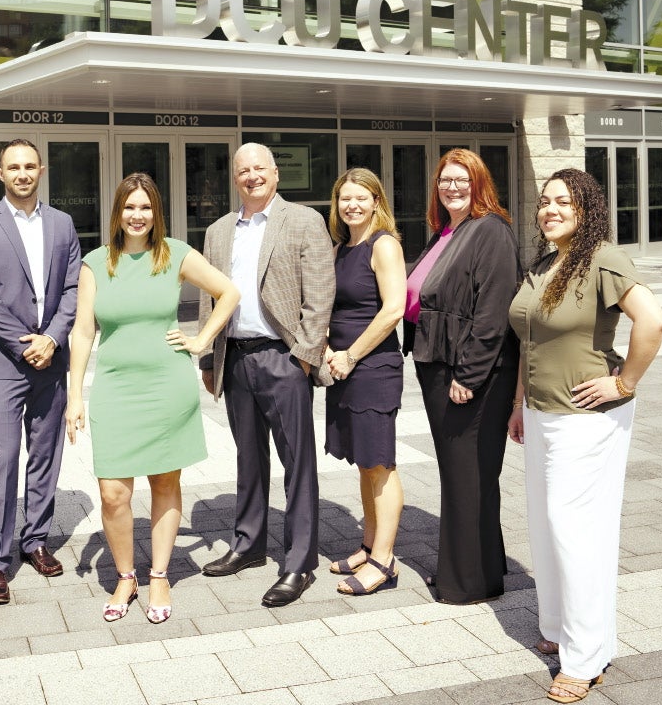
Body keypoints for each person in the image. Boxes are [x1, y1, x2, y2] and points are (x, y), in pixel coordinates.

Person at [508, 168, 662, 704]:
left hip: (587, 418)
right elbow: (530, 343)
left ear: (586, 209)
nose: (550, 210)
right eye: (545, 202)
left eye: (563, 202)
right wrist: (517, 405)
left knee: (576, 532)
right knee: (548, 526)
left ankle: (586, 658)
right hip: (541, 411)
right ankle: (557, 626)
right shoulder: (546, 263)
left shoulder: (603, 258)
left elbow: (654, 321)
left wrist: (624, 381)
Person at [64, 174, 239, 623]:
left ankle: (159, 574)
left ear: (155, 212)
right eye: (129, 207)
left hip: (166, 386)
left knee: (165, 483)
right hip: (116, 389)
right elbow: (83, 332)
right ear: (117, 213)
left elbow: (229, 292)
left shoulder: (175, 253)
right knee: (113, 493)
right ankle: (126, 575)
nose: (137, 215)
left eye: (145, 207)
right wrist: (74, 396)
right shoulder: (96, 263)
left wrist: (201, 340)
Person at [198, 142, 335, 608]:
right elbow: (207, 297)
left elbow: (320, 293)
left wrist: (306, 354)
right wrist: (208, 359)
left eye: (259, 169)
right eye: (243, 171)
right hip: (235, 356)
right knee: (248, 458)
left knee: (298, 463)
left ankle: (298, 562)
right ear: (234, 178)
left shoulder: (303, 221)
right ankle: (248, 544)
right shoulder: (218, 230)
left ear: (276, 174)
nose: (251, 176)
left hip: (284, 357)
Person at [0, 140, 81, 605]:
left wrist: (52, 337)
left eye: (30, 166)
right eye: (14, 167)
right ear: (0, 173)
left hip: (52, 358)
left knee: (45, 455)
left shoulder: (62, 223)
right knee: (3, 459)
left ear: (42, 170)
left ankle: (35, 541)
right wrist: (25, 344)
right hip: (4, 361)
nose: (23, 173)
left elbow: (73, 287)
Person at [404, 148, 519, 605]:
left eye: (462, 180)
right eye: (445, 180)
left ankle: (467, 583)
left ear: (480, 184)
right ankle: (480, 569)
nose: (452, 187)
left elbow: (493, 311)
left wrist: (469, 375)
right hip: (438, 365)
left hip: (470, 374)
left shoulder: (491, 231)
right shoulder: (447, 232)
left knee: (467, 476)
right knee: (462, 476)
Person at [322, 168, 407, 596]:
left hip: (371, 368)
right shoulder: (343, 246)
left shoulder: (384, 245)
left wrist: (352, 355)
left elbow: (393, 309)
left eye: (361, 198)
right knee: (363, 461)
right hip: (342, 368)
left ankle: (385, 561)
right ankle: (369, 544)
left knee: (380, 463)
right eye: (344, 199)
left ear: (377, 201)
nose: (352, 205)